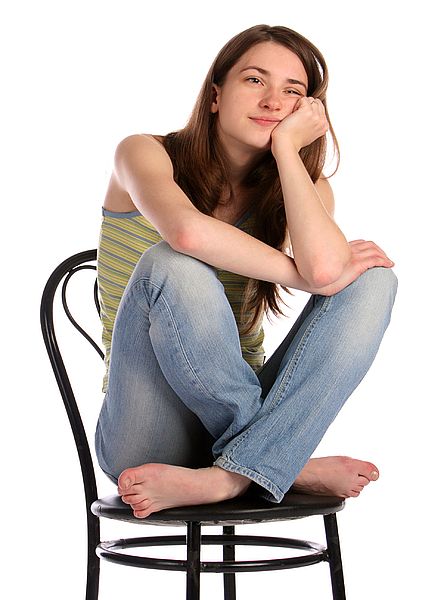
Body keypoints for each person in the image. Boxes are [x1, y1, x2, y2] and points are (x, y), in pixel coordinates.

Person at [94, 24, 398, 519]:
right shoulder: (143, 152)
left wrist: (286, 154)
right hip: (145, 433)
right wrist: (297, 275)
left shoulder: (302, 185)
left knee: (373, 279)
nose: (274, 100)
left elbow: (326, 271)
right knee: (173, 264)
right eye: (255, 80)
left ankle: (232, 472)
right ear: (216, 95)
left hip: (243, 408)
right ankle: (280, 462)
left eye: (293, 91)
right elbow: (188, 234)